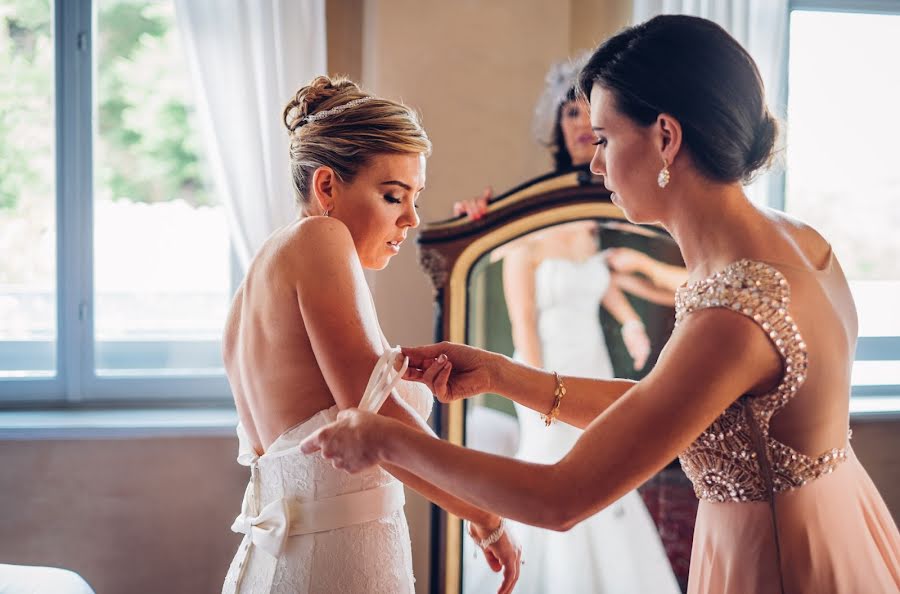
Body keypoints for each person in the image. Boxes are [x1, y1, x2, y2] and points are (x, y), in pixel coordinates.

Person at [302, 16, 900, 594]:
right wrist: (505, 375)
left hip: (780, 562)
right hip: (836, 528)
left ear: (666, 137)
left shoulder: (736, 314)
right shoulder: (797, 241)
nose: (593, 161)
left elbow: (560, 499)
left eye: (605, 138)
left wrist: (387, 440)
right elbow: (670, 405)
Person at [220, 75, 520, 594]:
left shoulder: (252, 288)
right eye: (392, 196)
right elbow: (373, 416)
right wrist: (484, 513)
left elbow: (333, 408)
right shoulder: (321, 236)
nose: (411, 219)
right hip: (335, 567)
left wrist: (402, 375)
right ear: (327, 186)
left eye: (415, 198)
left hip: (282, 565)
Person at [458, 55, 678, 594]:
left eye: (593, 117)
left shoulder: (598, 214)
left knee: (606, 472)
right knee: (553, 475)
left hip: (592, 362)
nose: (582, 127)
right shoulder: (532, 219)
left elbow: (599, 278)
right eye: (572, 114)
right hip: (545, 365)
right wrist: (531, 392)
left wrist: (627, 318)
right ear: (557, 126)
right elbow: (524, 321)